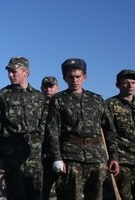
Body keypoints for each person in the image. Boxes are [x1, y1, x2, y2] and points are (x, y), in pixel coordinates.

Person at [46, 58, 119, 200]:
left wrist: (114, 157)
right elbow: (52, 131)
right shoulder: (58, 100)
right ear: (65, 78)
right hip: (71, 158)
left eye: (78, 76)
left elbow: (109, 130)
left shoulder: (97, 100)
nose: (74, 80)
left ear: (84, 77)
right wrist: (57, 158)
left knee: (96, 196)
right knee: (71, 196)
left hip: (97, 158)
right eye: (70, 77)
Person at [0, 56, 46, 200]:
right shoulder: (2, 96)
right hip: (11, 153)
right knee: (15, 194)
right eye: (9, 71)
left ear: (26, 72)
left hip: (33, 152)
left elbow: (45, 126)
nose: (10, 75)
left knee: (35, 193)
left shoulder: (39, 97)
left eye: (14, 71)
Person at [106, 69, 135, 200]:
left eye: (133, 83)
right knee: (124, 196)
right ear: (117, 85)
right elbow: (108, 134)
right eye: (126, 83)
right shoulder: (110, 104)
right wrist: (113, 158)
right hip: (123, 160)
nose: (130, 86)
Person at [40, 76, 59, 200]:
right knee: (42, 190)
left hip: (61, 154)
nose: (48, 89)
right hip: (42, 155)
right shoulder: (36, 107)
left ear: (57, 88)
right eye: (45, 87)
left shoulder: (63, 105)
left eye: (51, 86)